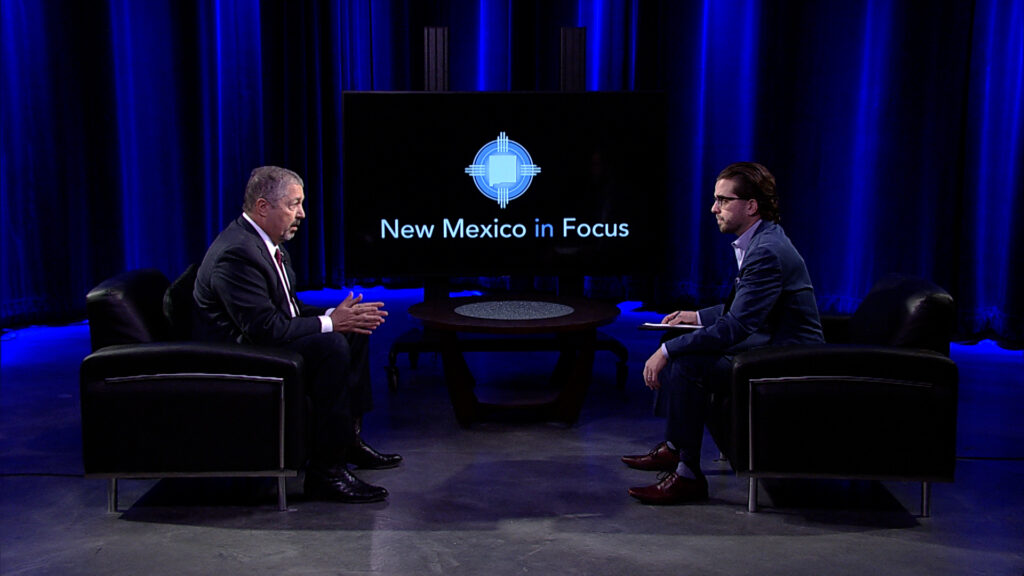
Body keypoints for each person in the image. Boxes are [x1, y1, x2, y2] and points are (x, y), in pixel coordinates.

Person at [194, 166, 400, 503]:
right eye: (294, 204)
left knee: (353, 330)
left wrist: (336, 315)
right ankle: (326, 473)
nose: (302, 213)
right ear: (263, 207)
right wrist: (331, 324)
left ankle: (347, 440)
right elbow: (265, 329)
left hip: (261, 340)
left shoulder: (267, 244)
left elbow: (287, 311)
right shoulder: (237, 254)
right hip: (238, 357)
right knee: (332, 343)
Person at [623, 162, 824, 505]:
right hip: (770, 340)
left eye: (723, 200)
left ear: (751, 205)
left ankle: (687, 476)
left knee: (684, 361)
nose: (713, 208)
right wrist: (695, 316)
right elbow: (743, 308)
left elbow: (736, 326)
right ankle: (675, 449)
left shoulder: (767, 252)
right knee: (676, 338)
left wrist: (667, 354)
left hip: (788, 355)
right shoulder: (761, 238)